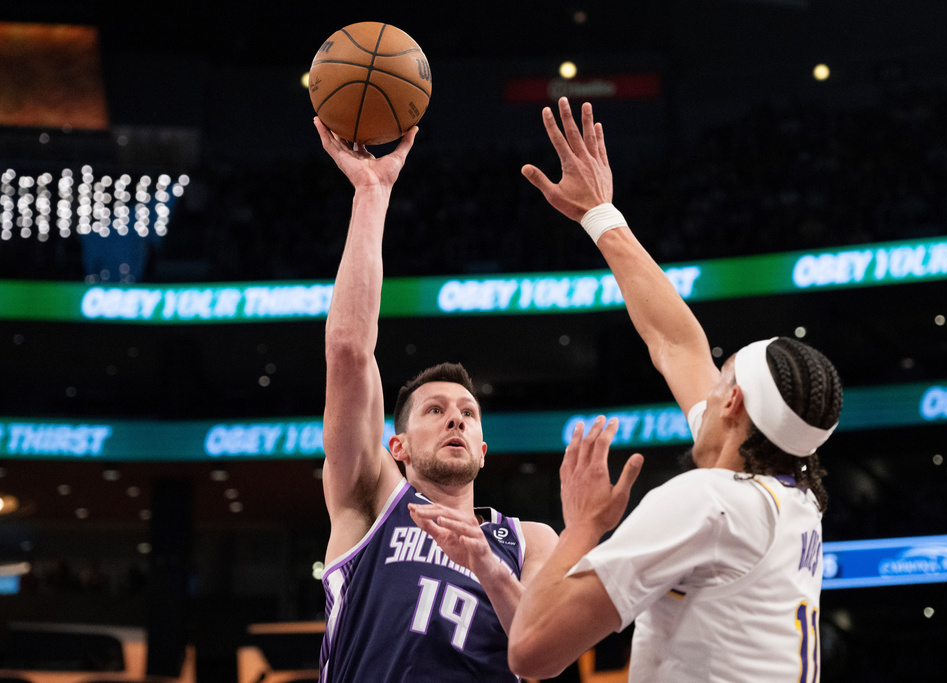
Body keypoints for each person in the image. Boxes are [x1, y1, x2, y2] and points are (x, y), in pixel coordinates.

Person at [507, 98, 843, 682]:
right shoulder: (787, 494)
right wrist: (601, 215)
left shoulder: (711, 503)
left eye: (724, 377)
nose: (709, 385)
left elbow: (532, 651)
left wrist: (584, 525)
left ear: (733, 402)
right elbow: (676, 343)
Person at [312, 117, 558, 683]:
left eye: (468, 414)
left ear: (483, 448)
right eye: (436, 410)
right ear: (396, 445)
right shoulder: (371, 499)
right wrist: (372, 194)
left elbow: (541, 658)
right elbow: (349, 350)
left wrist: (488, 569)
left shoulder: (528, 540)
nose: (456, 418)